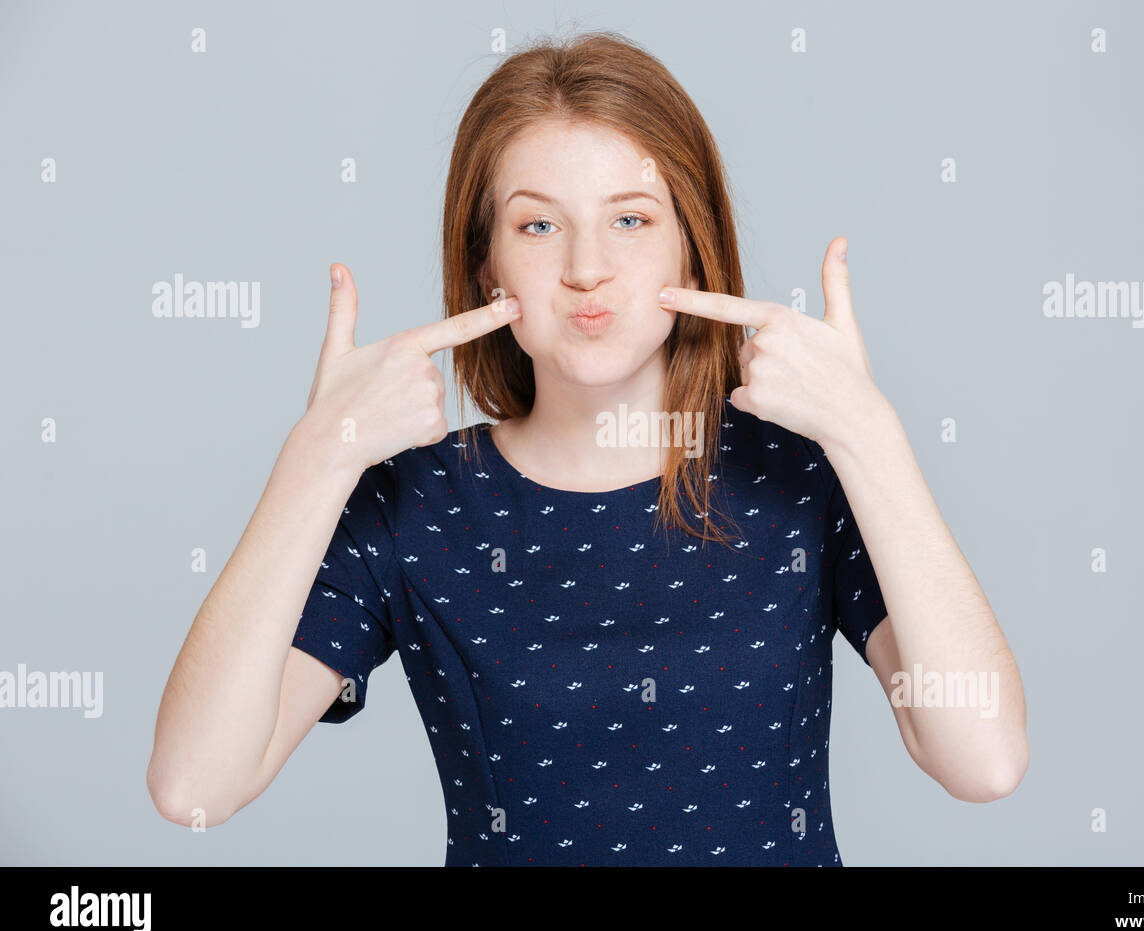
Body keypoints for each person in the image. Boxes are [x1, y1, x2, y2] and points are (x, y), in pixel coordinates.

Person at [147, 30, 1028, 866]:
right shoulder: (415, 505)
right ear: (487, 268)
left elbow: (983, 760)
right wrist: (317, 457)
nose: (586, 268)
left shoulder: (799, 472)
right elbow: (194, 787)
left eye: (631, 220)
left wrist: (869, 433)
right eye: (538, 226)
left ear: (691, 248)